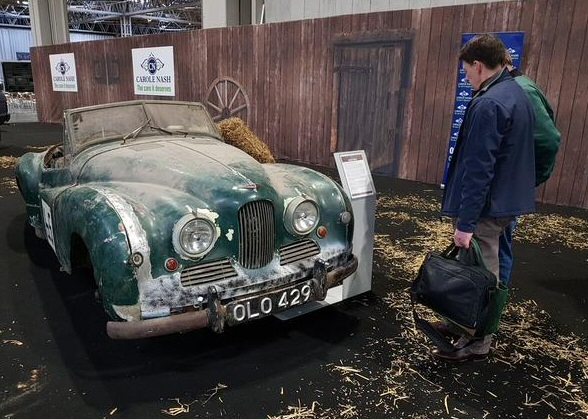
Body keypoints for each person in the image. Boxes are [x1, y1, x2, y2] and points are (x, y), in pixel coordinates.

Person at [433, 34, 536, 362]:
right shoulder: (514, 92)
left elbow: (480, 170)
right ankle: (462, 322)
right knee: (484, 266)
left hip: (487, 208)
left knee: (483, 273)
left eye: (466, 70)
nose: (465, 76)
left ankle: (478, 339)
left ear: (478, 65)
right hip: (505, 202)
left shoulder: (489, 103)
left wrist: (465, 223)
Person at [498, 54, 561, 286]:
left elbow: (548, 140)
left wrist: (529, 179)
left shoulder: (520, 89)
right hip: (504, 186)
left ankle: (486, 317)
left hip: (505, 190)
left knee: (497, 249)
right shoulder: (515, 87)